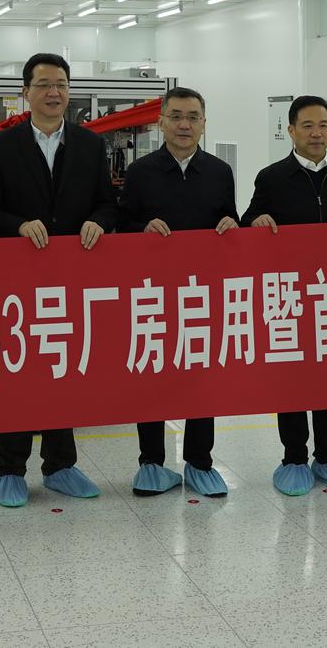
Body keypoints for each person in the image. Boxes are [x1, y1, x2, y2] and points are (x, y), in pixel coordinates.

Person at [0, 52, 117, 507]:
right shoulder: (3, 146)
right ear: (26, 92)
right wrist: (17, 225)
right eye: (43, 84)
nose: (53, 92)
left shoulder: (91, 145)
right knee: (16, 372)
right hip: (17, 282)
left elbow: (108, 202)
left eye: (61, 84)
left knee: (62, 370)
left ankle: (60, 466)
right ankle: (9, 469)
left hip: (70, 279)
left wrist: (99, 220)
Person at [242, 95, 327, 496]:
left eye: (323, 125)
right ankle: (294, 458)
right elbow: (249, 218)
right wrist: (256, 220)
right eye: (308, 125)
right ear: (291, 130)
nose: (317, 133)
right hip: (291, 296)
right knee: (293, 377)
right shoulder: (272, 177)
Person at [118, 86, 236, 499]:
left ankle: (199, 462)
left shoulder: (220, 172)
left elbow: (230, 219)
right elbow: (121, 226)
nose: (184, 125)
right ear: (161, 122)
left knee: (202, 378)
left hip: (203, 293)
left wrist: (232, 225)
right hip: (152, 293)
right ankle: (151, 463)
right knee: (152, 373)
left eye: (193, 117)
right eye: (176, 116)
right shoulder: (141, 172)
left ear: (203, 123)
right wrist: (141, 229)